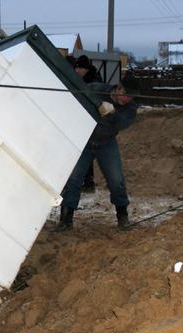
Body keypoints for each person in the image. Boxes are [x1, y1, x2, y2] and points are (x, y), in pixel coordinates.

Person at [58, 79, 138, 230]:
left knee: (116, 180)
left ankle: (123, 217)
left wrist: (113, 112)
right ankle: (65, 220)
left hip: (106, 143)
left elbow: (122, 123)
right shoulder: (96, 88)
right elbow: (76, 100)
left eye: (130, 98)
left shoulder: (130, 108)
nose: (127, 100)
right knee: (73, 179)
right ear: (118, 88)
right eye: (125, 95)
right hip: (84, 140)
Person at [73, 55, 102, 193]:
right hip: (80, 120)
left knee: (86, 152)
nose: (77, 70)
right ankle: (84, 182)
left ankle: (88, 182)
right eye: (76, 67)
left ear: (86, 69)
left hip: (91, 122)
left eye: (80, 68)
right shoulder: (79, 80)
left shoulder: (93, 81)